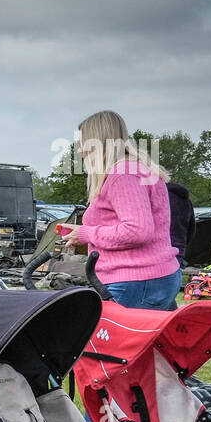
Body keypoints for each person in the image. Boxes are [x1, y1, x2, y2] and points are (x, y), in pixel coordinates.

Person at [60, 110, 181, 310]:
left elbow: (137, 231)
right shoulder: (138, 170)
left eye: (84, 143)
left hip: (134, 281)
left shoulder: (122, 174)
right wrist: (82, 237)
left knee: (99, 340)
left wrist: (86, 232)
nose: (81, 150)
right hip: (156, 276)